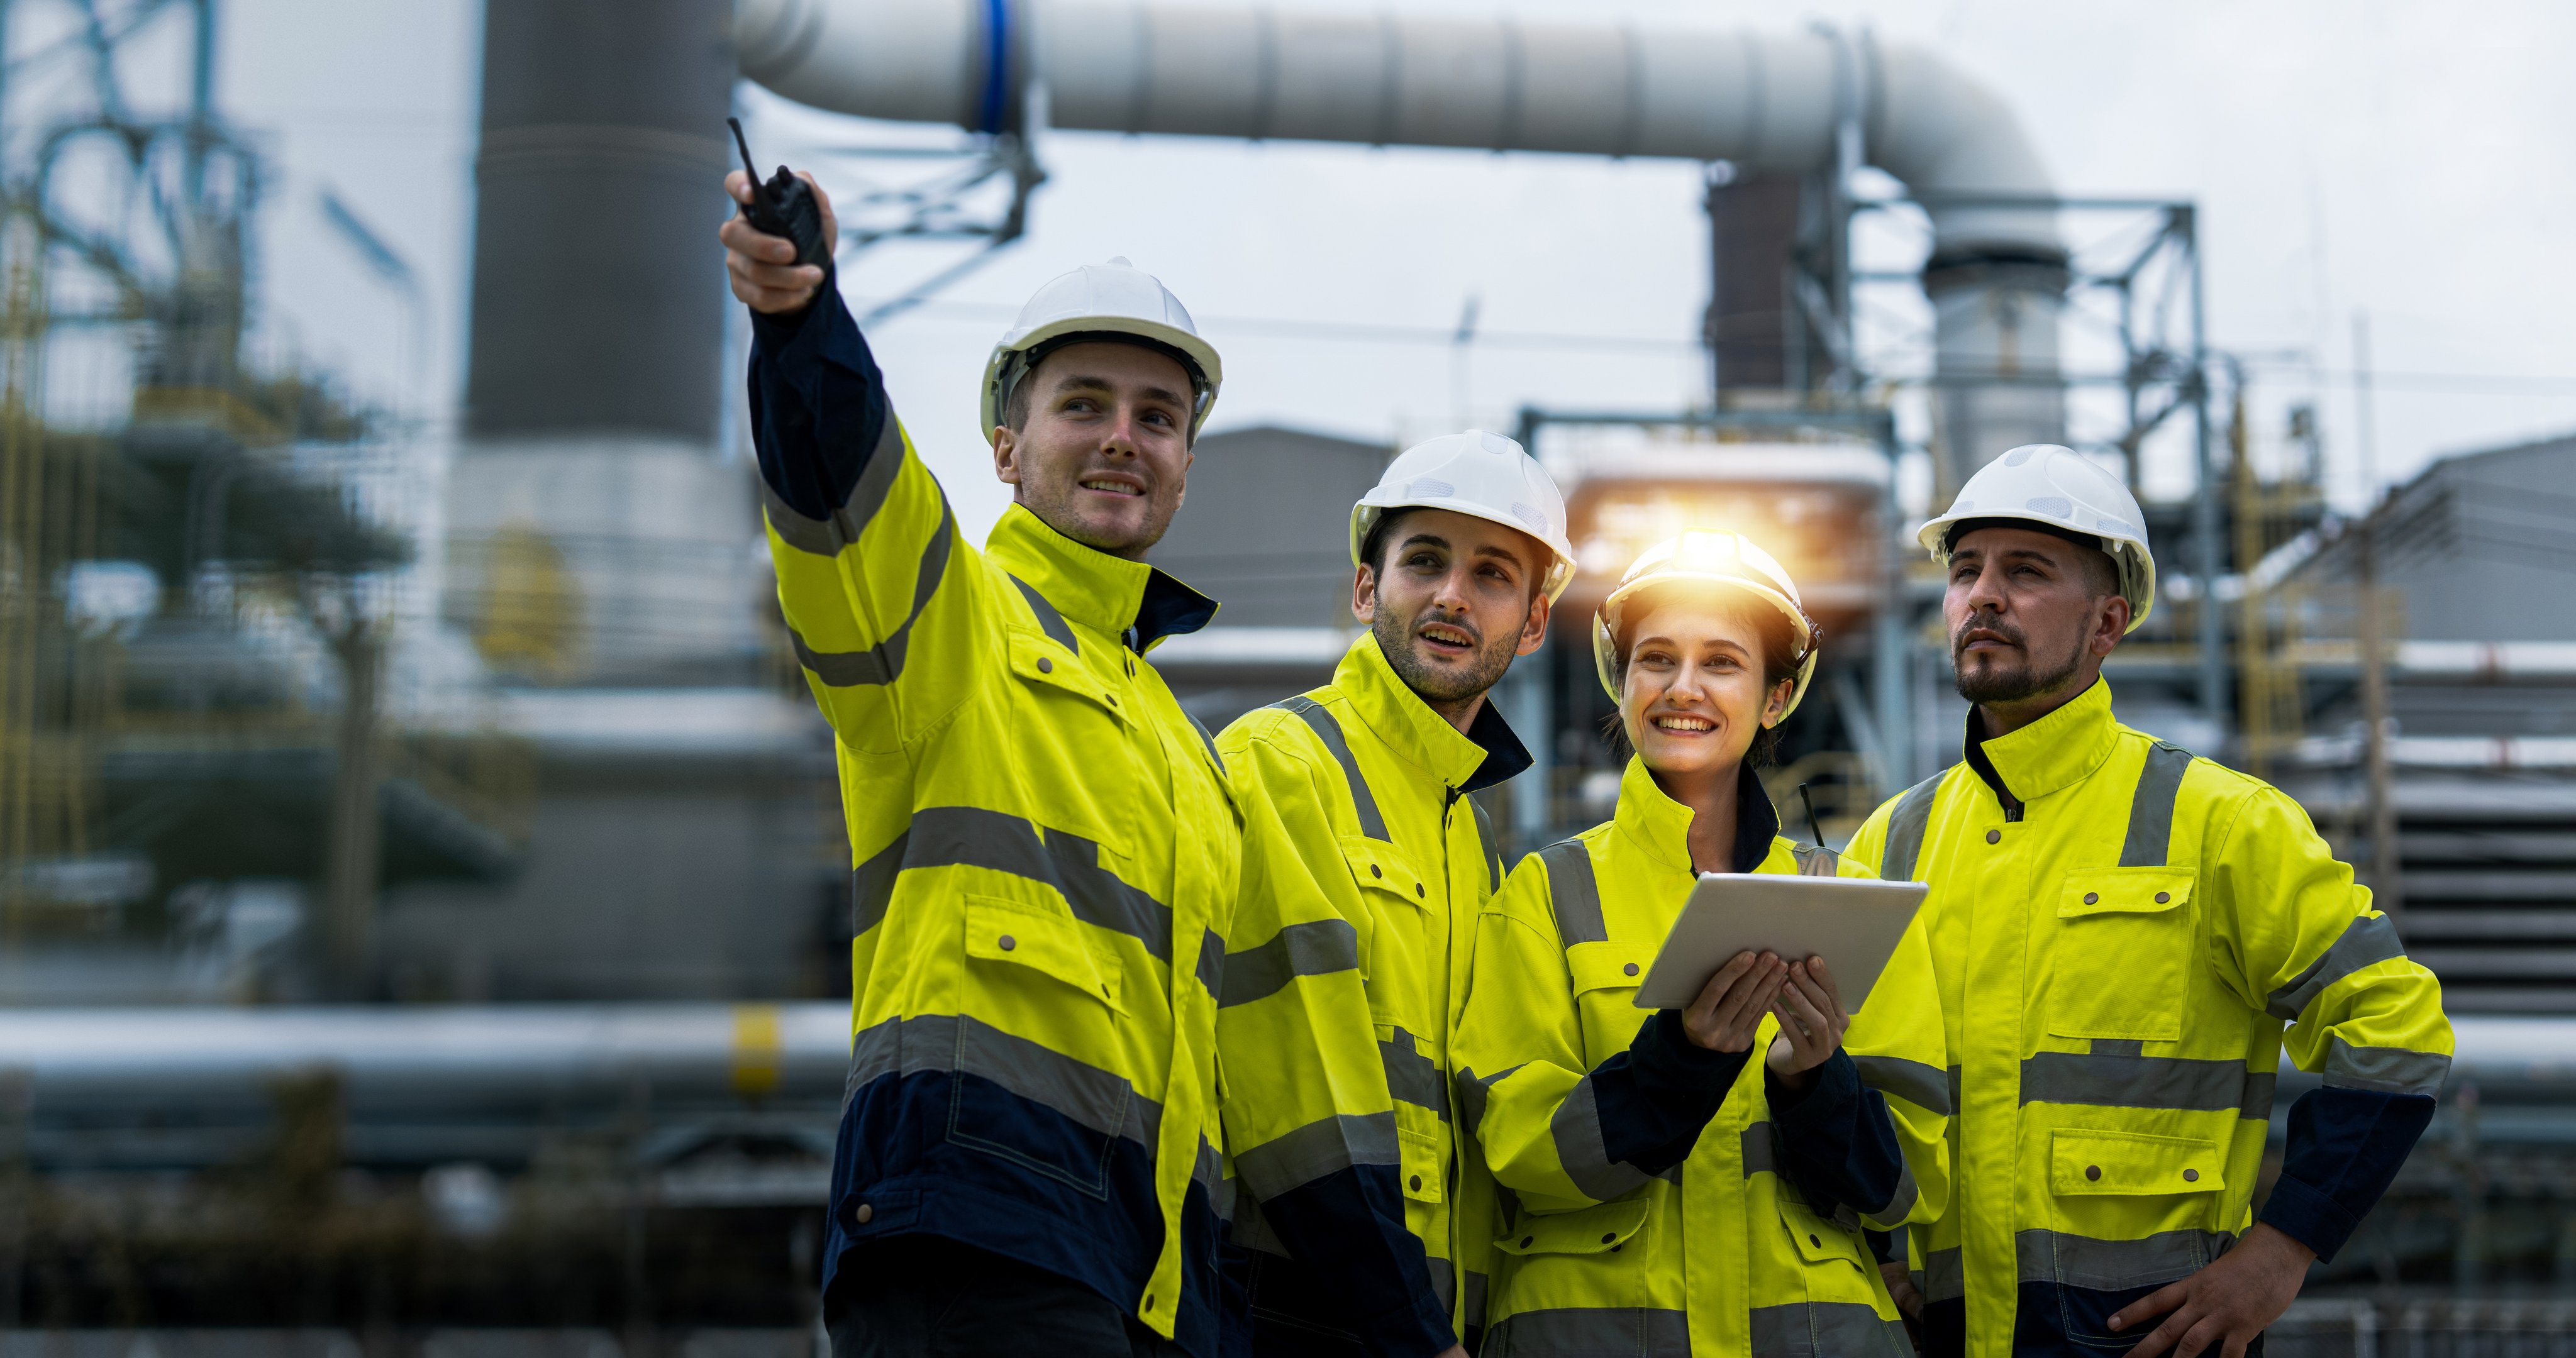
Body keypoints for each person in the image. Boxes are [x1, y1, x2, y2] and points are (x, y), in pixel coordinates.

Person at [723, 173, 1435, 1358]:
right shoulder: (953, 627)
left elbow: (1269, 1072)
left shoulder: (1186, 758)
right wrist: (804, 323)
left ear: (1186, 465)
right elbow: (851, 502)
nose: (1124, 436)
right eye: (1084, 405)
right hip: (976, 1237)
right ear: (1006, 447)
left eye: (1159, 417)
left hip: (1156, 1286)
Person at [1842, 444, 2453, 1357]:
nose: (1984, 595)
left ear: (2108, 622)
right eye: (1965, 571)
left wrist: (2281, 1252)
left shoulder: (2223, 825)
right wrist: (1868, 1249)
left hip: (2143, 1339)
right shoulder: (1891, 843)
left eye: (2028, 571)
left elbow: (2397, 1030)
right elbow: (1842, 1091)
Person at [1452, 531, 1948, 1357]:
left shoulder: (1851, 902)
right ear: (1623, 683)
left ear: (1777, 697)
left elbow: (1907, 1188)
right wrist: (1678, 1061)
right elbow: (1518, 1149)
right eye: (1656, 659)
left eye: (1722, 662)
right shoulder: (1548, 895)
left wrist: (1813, 1081)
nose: (1684, 688)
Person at [1214, 431, 1572, 1357]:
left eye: (1493, 574)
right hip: (1299, 1302)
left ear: (1533, 625)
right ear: (1368, 591)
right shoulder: (1284, 762)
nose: (1454, 594)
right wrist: (1408, 1329)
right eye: (1424, 561)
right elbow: (1295, 1078)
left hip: (1432, 1311)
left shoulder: (1473, 839)